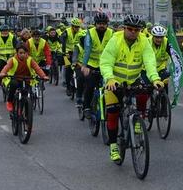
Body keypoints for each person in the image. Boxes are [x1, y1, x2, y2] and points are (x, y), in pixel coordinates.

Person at [100, 14, 165, 162]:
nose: (133, 32)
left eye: (137, 30)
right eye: (130, 29)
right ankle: (113, 146)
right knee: (113, 111)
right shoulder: (115, 40)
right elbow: (106, 61)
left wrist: (155, 78)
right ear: (124, 28)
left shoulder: (143, 42)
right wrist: (109, 78)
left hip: (133, 79)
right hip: (114, 81)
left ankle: (138, 119)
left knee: (144, 93)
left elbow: (149, 61)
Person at [80, 12, 114, 117]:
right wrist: (84, 66)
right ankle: (86, 107)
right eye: (99, 23)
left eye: (104, 23)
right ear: (95, 24)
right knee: (90, 85)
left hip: (107, 65)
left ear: (107, 24)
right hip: (92, 64)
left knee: (111, 87)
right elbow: (87, 50)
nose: (101, 25)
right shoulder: (90, 33)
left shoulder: (111, 33)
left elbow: (115, 51)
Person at [0, 43, 48, 112]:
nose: (23, 55)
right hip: (15, 78)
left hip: (27, 79)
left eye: (24, 53)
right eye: (20, 53)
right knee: (13, 85)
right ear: (17, 53)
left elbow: (37, 68)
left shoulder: (30, 60)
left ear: (27, 53)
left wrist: (43, 76)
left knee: (28, 94)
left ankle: (27, 115)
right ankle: (9, 101)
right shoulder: (13, 60)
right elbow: (6, 67)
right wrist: (3, 73)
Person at [60, 18, 84, 96]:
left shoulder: (81, 31)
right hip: (67, 52)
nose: (77, 28)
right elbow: (63, 42)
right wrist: (63, 52)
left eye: (78, 27)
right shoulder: (67, 31)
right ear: (72, 26)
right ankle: (68, 87)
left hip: (77, 52)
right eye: (75, 27)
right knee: (68, 68)